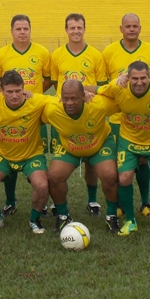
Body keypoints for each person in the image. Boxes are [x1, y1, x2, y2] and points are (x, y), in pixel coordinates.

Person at [96, 61, 150, 236]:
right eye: (135, 78)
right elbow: (98, 91)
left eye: (143, 78)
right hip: (129, 138)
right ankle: (130, 221)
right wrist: (84, 93)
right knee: (124, 178)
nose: (139, 82)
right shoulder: (117, 87)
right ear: (128, 78)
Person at [0, 71, 53, 235]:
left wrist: (86, 93)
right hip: (3, 155)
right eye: (9, 92)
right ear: (1, 91)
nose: (14, 95)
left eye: (18, 91)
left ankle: (34, 219)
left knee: (42, 185)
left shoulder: (36, 100)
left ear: (24, 88)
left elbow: (62, 99)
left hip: (31, 156)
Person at [102, 13, 150, 218]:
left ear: (140, 27)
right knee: (121, 164)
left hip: (146, 117)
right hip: (118, 119)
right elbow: (104, 85)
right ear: (121, 28)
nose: (131, 29)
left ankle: (145, 203)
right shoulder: (109, 51)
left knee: (143, 160)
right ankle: (121, 204)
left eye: (135, 26)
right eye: (127, 26)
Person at [42, 80, 121, 233]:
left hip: (100, 144)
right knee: (54, 176)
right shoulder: (52, 109)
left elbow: (122, 98)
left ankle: (112, 215)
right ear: (60, 97)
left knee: (110, 175)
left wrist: (98, 89)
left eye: (74, 98)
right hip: (70, 147)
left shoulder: (98, 104)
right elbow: (32, 102)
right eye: (66, 98)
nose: (69, 102)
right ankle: (63, 215)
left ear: (83, 96)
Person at [0, 14, 52, 217]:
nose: (22, 32)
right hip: (10, 111)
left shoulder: (42, 52)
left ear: (30, 30)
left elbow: (48, 80)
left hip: (35, 113)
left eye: (25, 28)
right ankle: (10, 201)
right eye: (18, 29)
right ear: (11, 31)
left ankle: (41, 200)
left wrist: (33, 97)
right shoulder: (1, 54)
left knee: (35, 155)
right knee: (10, 153)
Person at [51, 13, 108, 215]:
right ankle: (57, 202)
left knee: (91, 158)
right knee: (59, 157)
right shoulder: (57, 54)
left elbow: (102, 85)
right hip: (63, 114)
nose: (76, 31)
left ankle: (92, 200)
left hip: (88, 112)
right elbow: (54, 83)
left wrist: (85, 92)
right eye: (72, 27)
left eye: (79, 27)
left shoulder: (95, 55)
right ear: (66, 30)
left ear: (84, 29)